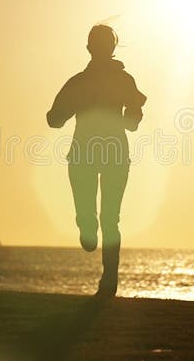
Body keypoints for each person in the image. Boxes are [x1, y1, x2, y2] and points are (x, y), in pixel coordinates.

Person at [46, 25, 146, 297]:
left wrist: (64, 112)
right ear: (110, 48)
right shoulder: (117, 80)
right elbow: (134, 120)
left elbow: (54, 120)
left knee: (105, 219)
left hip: (91, 154)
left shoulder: (82, 82)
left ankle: (105, 272)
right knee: (110, 220)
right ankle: (107, 275)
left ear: (90, 47)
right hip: (108, 153)